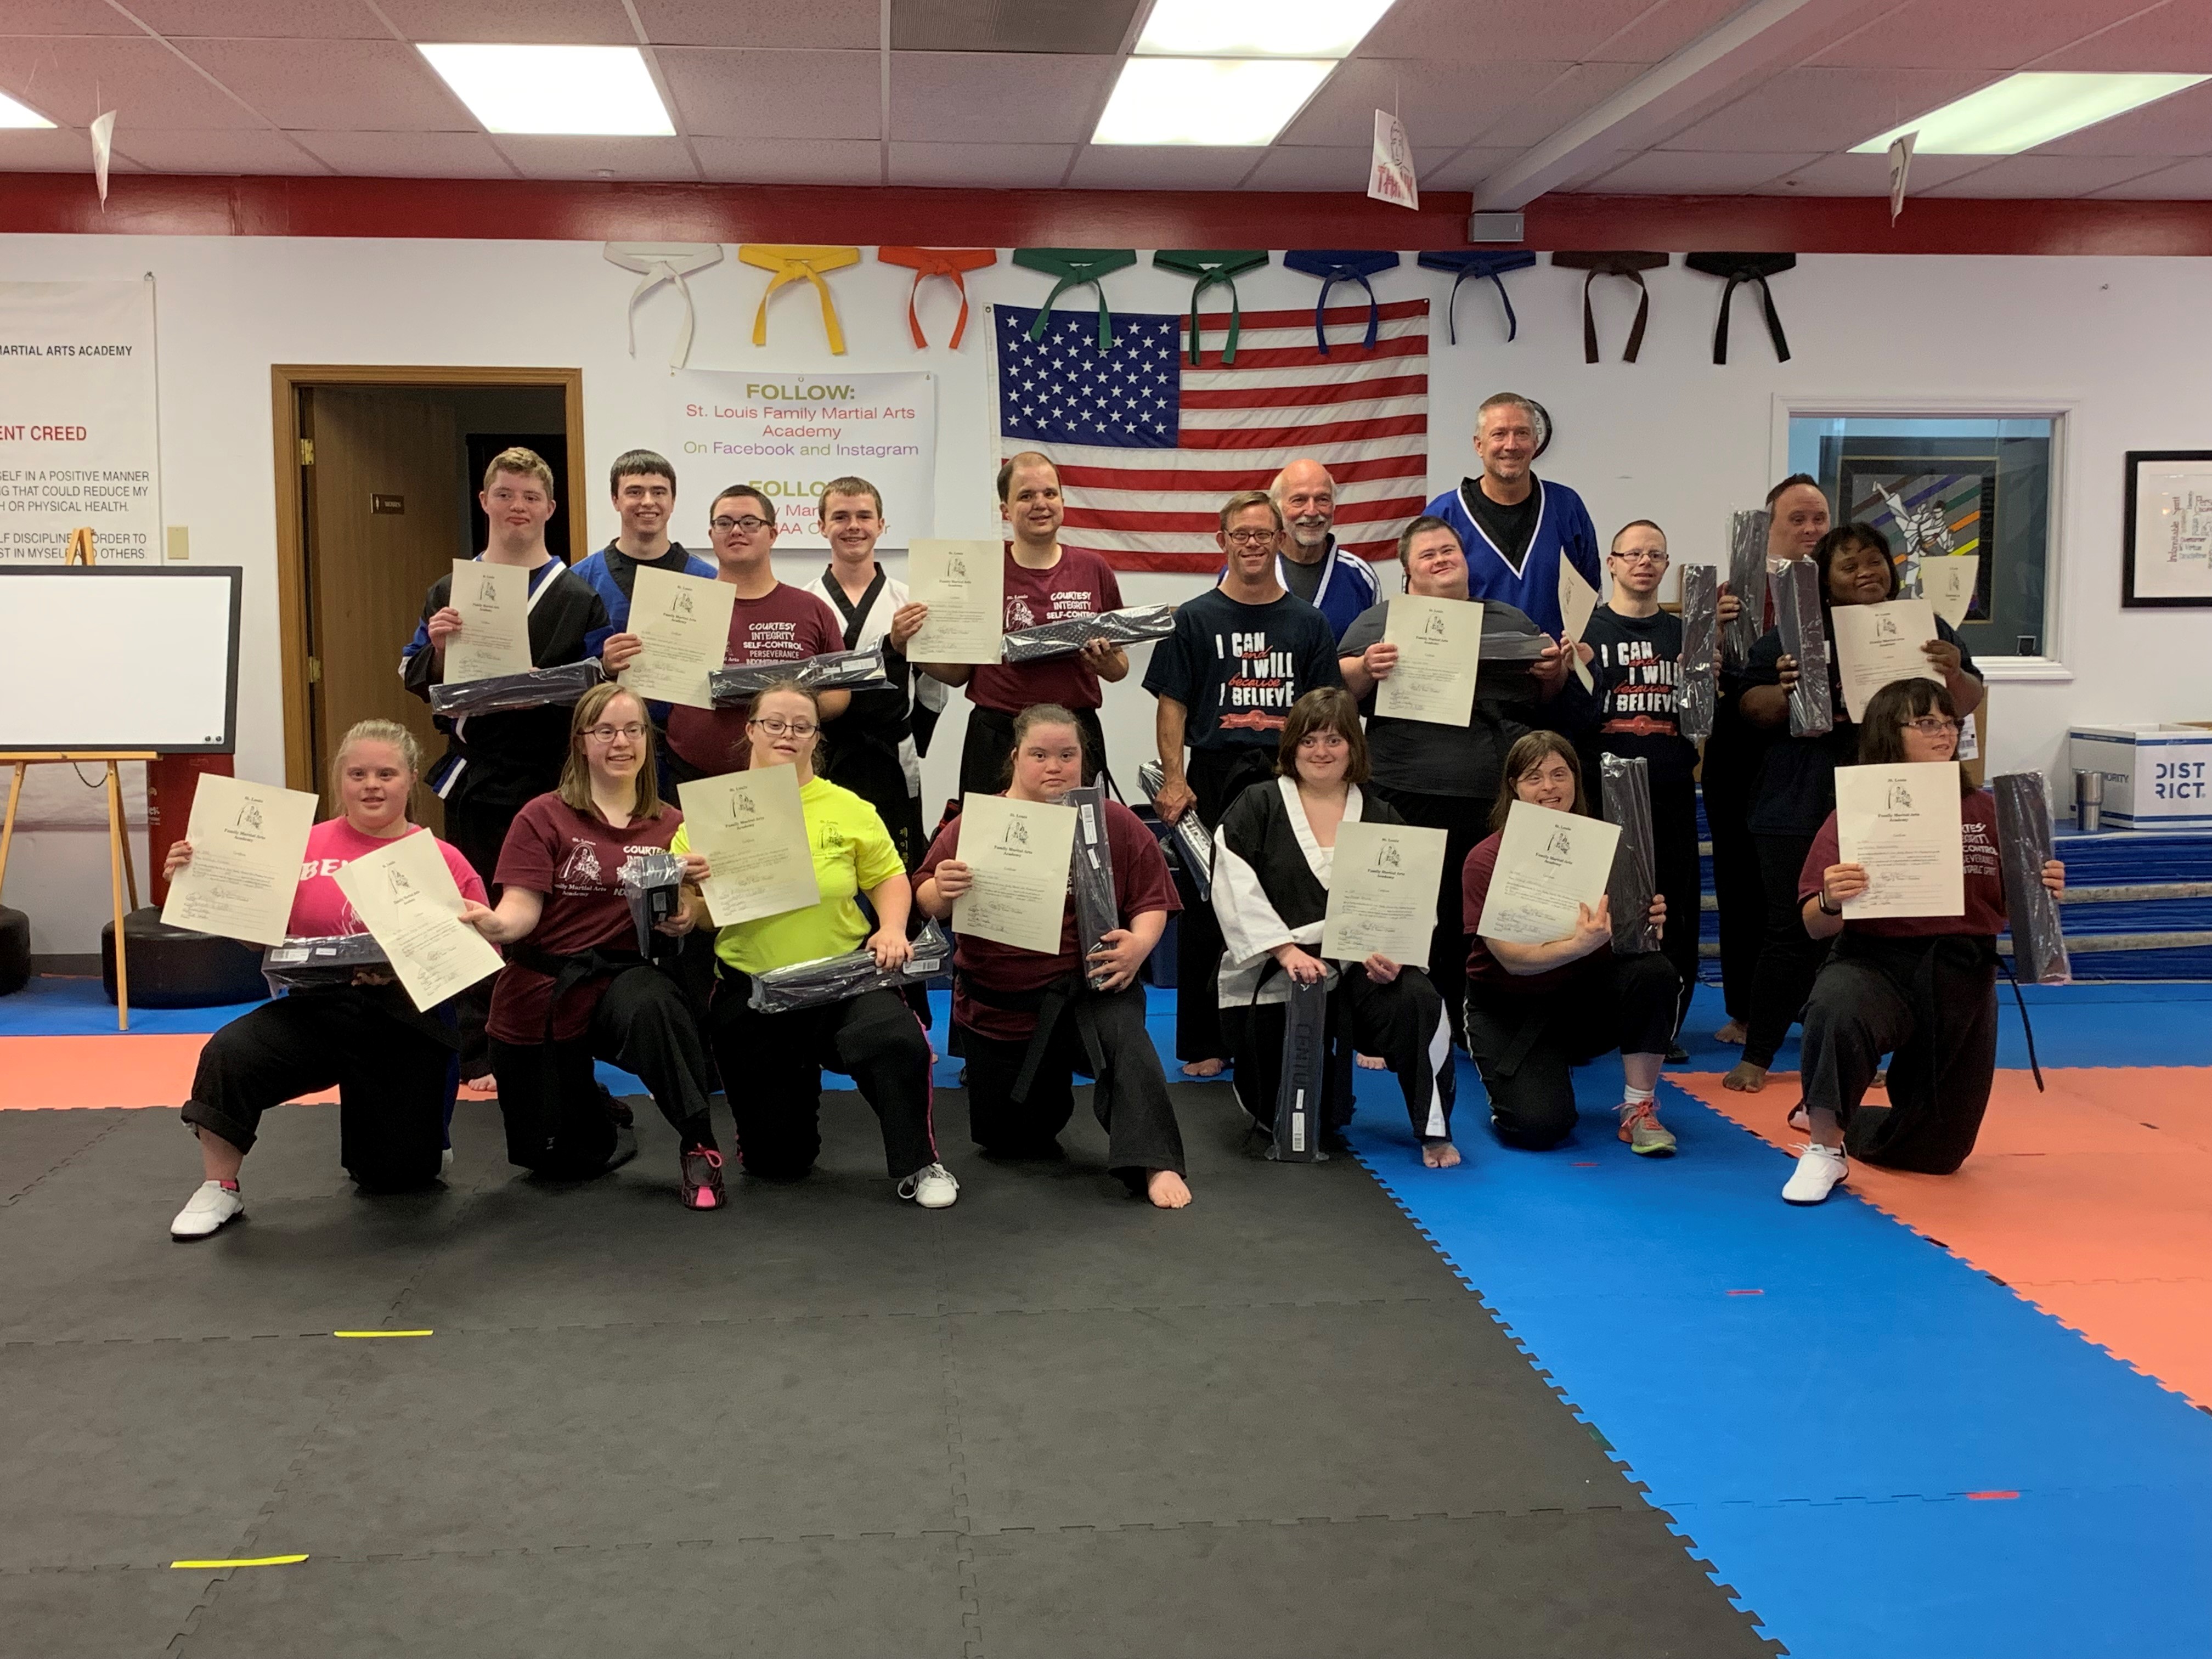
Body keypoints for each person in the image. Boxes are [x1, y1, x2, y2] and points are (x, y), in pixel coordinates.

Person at [166, 721, 487, 1240]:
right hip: (315, 1008)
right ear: (340, 779)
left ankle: (427, 1137)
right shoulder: (298, 847)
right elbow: (255, 940)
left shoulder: (442, 859)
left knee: (397, 1180)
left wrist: (402, 966)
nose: (371, 785)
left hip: (405, 1017)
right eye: (357, 774)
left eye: (386, 774)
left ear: (410, 779)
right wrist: (201, 881)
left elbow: (476, 956)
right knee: (229, 1053)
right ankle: (219, 1186)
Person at [1780, 679, 2065, 1204]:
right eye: (1927, 722)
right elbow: (1813, 925)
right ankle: (1824, 1147)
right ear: (1890, 732)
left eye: (1950, 722)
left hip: (1963, 969)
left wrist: (2041, 887)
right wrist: (1832, 899)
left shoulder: (1988, 809)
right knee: (1836, 1006)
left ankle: (1834, 1110)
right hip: (1875, 960)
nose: (1945, 733)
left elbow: (2017, 906)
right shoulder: (1855, 812)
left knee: (1938, 1155)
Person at [1725, 522, 1984, 1095]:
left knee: (1884, 929)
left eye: (1875, 561)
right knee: (1790, 929)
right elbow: (1749, 708)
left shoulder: (1926, 626)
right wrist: (1786, 689)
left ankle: (1866, 1046)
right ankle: (1759, 1054)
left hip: (1896, 795)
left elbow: (1965, 702)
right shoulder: (1795, 630)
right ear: (1825, 579)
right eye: (1850, 565)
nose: (1867, 572)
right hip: (1801, 792)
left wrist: (1953, 670)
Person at [675, 680, 955, 1208]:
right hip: (754, 991)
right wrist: (687, 909)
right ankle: (777, 1123)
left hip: (843, 982)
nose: (788, 734)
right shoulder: (711, 814)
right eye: (774, 723)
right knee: (778, 1163)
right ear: (750, 729)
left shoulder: (848, 807)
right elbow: (703, 917)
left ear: (816, 736)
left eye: (801, 726)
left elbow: (889, 878)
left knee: (895, 1039)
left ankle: (922, 1162)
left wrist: (891, 927)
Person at [915, 704, 1190, 1207]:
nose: (1055, 766)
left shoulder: (1113, 821)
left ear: (1084, 758)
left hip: (1088, 989)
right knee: (1014, 1142)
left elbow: (1152, 898)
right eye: (1039, 755)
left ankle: (1156, 1162)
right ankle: (1037, 1103)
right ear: (1015, 757)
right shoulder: (979, 823)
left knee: (1126, 1039)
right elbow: (926, 899)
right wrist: (943, 890)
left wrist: (1140, 945)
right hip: (1001, 1005)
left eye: (1068, 755)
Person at [460, 684, 722, 1210]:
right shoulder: (542, 816)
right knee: (560, 1163)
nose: (620, 742)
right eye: (605, 731)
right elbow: (521, 908)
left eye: (632, 730)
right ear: (582, 742)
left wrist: (689, 914)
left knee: (654, 1004)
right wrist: (497, 926)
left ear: (647, 740)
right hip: (546, 985)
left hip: (624, 977)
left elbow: (699, 908)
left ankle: (699, 1145)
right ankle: (597, 1108)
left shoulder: (674, 823)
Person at [400, 445, 612, 1087]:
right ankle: (479, 1046)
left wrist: (584, 675)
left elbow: (600, 687)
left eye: (530, 497)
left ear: (550, 508)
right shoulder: (450, 591)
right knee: (475, 907)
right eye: (506, 495)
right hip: (479, 778)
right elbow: (414, 676)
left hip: (554, 779)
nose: (518, 507)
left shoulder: (578, 595)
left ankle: (551, 1038)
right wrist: (441, 648)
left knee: (554, 914)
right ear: (485, 501)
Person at [1339, 515, 1589, 1046]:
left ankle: (1480, 1023)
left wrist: (1556, 674)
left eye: (1448, 549)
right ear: (1407, 571)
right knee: (1401, 910)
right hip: (1405, 789)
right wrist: (1365, 667)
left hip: (1493, 796)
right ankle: (1392, 1027)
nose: (1441, 559)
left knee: (1484, 916)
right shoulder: (1380, 621)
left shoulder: (1510, 620)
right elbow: (1336, 692)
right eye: (1427, 554)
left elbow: (1546, 700)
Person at [1144, 490, 1344, 1078]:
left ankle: (1285, 1030)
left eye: (1263, 534)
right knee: (1209, 907)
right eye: (1241, 535)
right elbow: (1172, 705)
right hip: (1213, 775)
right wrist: (1174, 779)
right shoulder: (1194, 618)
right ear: (1222, 541)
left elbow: (1326, 710)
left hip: (1289, 778)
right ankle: (1204, 1040)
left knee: (1288, 902)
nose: (1252, 544)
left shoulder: (1307, 623)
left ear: (1280, 540)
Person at [1212, 690, 1458, 1167]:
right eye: (1308, 741)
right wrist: (1285, 950)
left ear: (1353, 748)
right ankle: (1268, 1096)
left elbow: (1412, 898)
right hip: (1279, 964)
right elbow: (1232, 884)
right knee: (1296, 1119)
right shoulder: (1258, 805)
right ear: (1291, 747)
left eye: (1333, 740)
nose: (1320, 752)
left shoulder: (1381, 816)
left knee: (1418, 999)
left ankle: (1433, 1129)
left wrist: (1395, 954)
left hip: (1361, 965)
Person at [1461, 732, 1679, 1156]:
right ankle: (1527, 1078)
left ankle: (1638, 1108)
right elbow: (1511, 961)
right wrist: (1580, 945)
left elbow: (1633, 946)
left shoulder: (1608, 850)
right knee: (1539, 1129)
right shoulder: (1486, 859)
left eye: (1560, 774)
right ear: (1514, 787)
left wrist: (1647, 925)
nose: (1549, 787)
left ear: (1576, 780)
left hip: (1580, 999)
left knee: (1654, 972)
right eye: (1534, 777)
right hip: (1509, 1006)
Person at [911, 451, 1128, 796]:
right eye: (1026, 496)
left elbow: (1119, 668)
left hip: (1073, 733)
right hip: (998, 734)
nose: (1040, 504)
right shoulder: (980, 570)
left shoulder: (1093, 568)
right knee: (991, 832)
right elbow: (958, 674)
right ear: (1006, 509)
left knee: (1080, 831)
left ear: (1062, 501)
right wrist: (911, 646)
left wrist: (1105, 663)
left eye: (1050, 493)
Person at [610, 484, 850, 785]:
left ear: (773, 533)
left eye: (750, 522)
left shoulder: (811, 609)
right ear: (711, 535)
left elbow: (840, 693)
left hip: (785, 777)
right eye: (724, 523)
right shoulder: (676, 606)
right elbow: (642, 691)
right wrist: (616, 667)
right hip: (689, 772)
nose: (736, 531)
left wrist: (788, 707)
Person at [1706, 474, 1831, 1047]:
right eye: (1796, 519)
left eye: (1819, 519)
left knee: (1818, 881)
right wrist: (1711, 632)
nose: (1810, 529)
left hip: (1812, 755)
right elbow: (1702, 677)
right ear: (1769, 527)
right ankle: (1747, 1011)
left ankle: (1821, 1006)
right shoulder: (1732, 593)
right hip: (1741, 745)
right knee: (1741, 880)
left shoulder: (1841, 589)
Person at [1578, 520, 1702, 1053]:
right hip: (1599, 791)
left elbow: (1704, 721)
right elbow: (1568, 715)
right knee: (1599, 905)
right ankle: (1592, 1019)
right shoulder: (1586, 632)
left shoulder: (1687, 636)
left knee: (1674, 908)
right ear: (1612, 563)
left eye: (1655, 554)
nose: (1644, 563)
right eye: (1633, 554)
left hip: (1669, 788)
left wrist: (1705, 679)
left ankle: (1663, 1027)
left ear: (1666, 565)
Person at [802, 474, 949, 871]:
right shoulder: (805, 602)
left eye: (864, 516)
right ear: (822, 526)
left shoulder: (909, 600)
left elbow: (934, 685)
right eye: (841, 517)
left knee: (896, 865)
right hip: (824, 752)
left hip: (890, 751)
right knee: (828, 863)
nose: (853, 526)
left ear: (882, 525)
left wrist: (914, 736)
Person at [1424, 392, 1601, 637]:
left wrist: (1575, 655)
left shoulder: (1567, 507)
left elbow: (1590, 599)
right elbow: (1421, 605)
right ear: (1478, 445)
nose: (1511, 445)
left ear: (1535, 443)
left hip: (1554, 660)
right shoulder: (1443, 516)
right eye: (1499, 434)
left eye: (1522, 433)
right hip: (1473, 661)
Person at [568, 449, 715, 629]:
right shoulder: (580, 581)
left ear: (673, 501)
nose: (648, 502)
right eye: (635, 492)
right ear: (615, 500)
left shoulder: (708, 581)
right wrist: (602, 649)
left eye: (659, 492)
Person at [1262, 458, 1380, 641]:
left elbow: (1376, 649)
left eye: (1322, 500)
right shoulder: (1248, 572)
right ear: (1277, 509)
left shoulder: (1360, 576)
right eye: (1299, 500)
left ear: (1334, 506)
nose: (1312, 511)